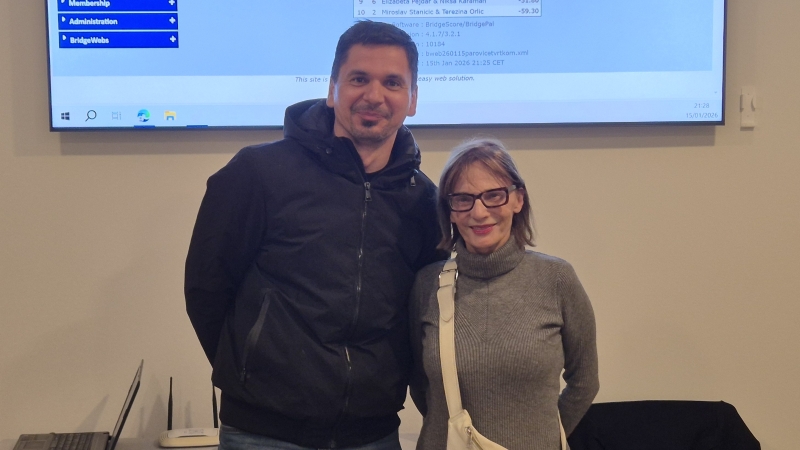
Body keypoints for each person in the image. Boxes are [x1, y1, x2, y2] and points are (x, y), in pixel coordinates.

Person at [185, 21, 447, 450]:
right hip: (262, 433)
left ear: (413, 99)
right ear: (332, 89)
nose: (374, 95)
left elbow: (423, 314)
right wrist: (251, 374)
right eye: (359, 79)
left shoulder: (424, 201)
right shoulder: (258, 173)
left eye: (392, 82)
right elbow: (206, 289)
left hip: (373, 434)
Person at [409, 138, 599, 449]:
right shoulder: (427, 285)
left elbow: (585, 382)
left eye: (494, 196)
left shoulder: (557, 279)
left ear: (518, 199)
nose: (479, 212)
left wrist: (541, 437)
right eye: (463, 199)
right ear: (450, 211)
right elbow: (420, 384)